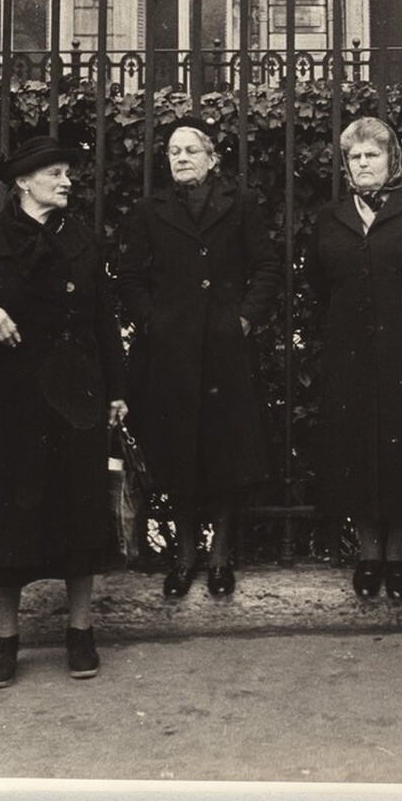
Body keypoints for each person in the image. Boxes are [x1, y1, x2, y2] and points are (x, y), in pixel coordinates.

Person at [0, 136, 128, 688]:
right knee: (9, 515)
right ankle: (6, 638)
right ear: (23, 182)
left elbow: (103, 321)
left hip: (76, 397)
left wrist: (116, 390)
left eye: (68, 173)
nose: (67, 182)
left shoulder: (83, 240)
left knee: (81, 511)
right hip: (9, 400)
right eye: (55, 173)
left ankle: (80, 633)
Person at [118, 117, 279, 600]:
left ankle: (221, 556)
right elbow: (129, 276)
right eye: (173, 152)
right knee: (180, 452)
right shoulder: (151, 209)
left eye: (190, 150)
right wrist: (153, 322)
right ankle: (184, 555)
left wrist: (245, 320)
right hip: (172, 354)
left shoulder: (241, 204)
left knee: (227, 453)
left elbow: (268, 266)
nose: (181, 158)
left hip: (225, 349)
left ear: (212, 158)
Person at [306, 117, 402, 601]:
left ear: (392, 160)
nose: (363, 163)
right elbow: (319, 286)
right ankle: (368, 552)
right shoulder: (331, 217)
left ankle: (400, 553)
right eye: (355, 157)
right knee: (358, 451)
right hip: (350, 354)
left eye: (372, 154)